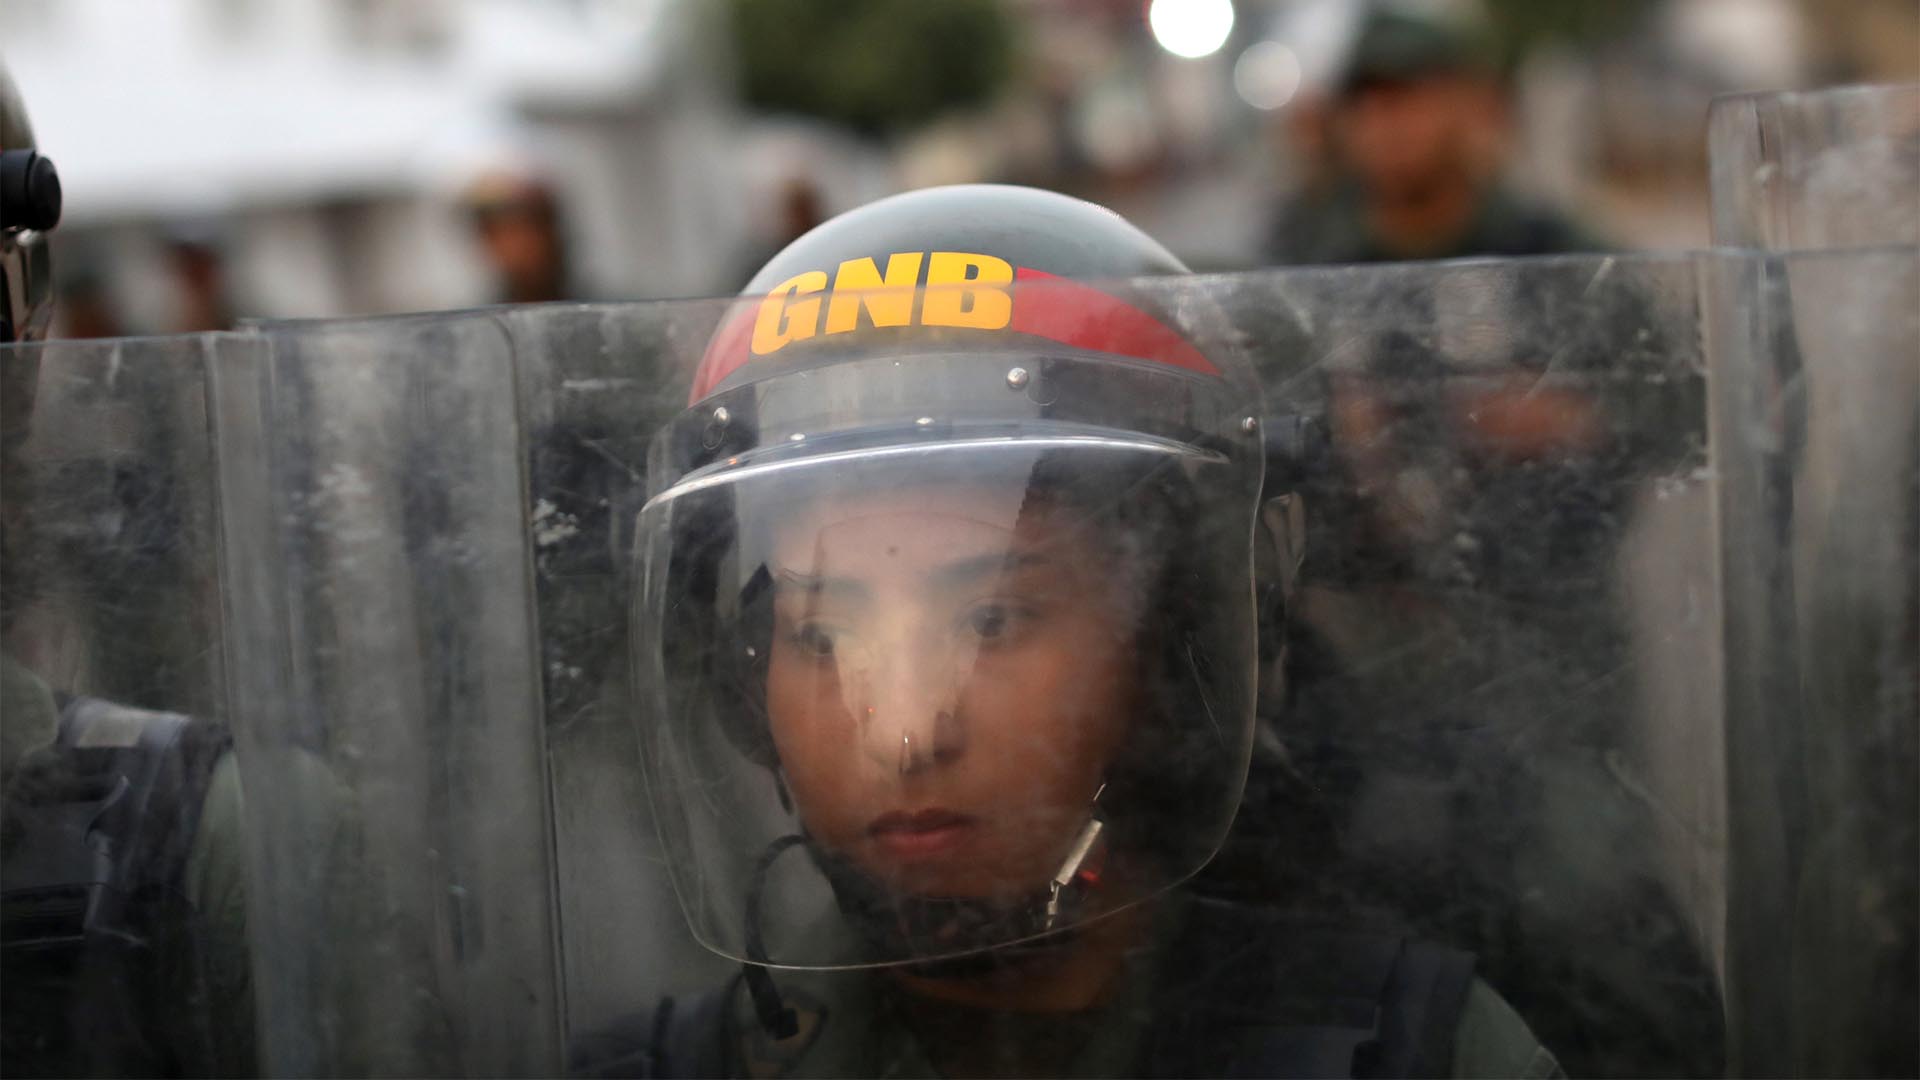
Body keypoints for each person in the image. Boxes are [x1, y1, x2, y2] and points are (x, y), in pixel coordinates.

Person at [573, 184, 1560, 1078]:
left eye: (992, 620)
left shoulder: (1418, 1056)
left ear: (1176, 645)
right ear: (751, 691)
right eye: (824, 635)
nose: (908, 733)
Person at [1265, 2, 1601, 266]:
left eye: (1410, 99)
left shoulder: (1537, 248)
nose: (1387, 126)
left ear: (1465, 106)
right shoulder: (1301, 251)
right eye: (1366, 105)